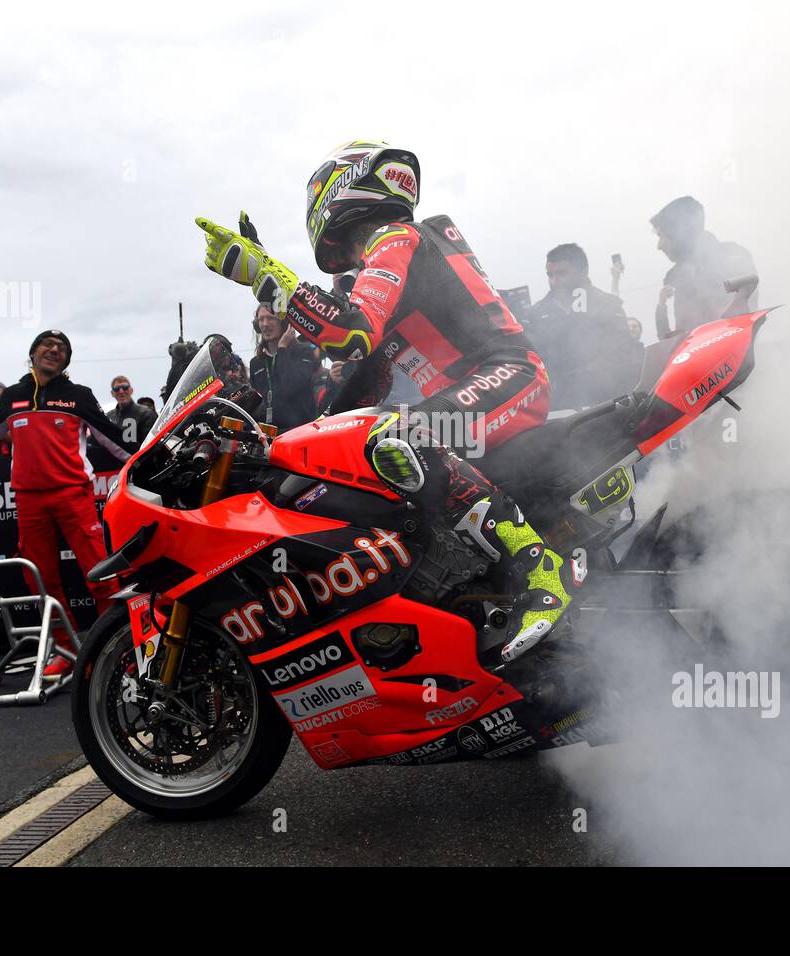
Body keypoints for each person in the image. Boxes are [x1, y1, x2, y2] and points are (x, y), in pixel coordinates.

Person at [194, 141, 585, 663]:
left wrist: (268, 275)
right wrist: (289, 446)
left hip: (508, 376)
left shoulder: (395, 236)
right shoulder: (394, 256)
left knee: (403, 437)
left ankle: (543, 576)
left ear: (341, 188)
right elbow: (364, 380)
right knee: (371, 442)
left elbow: (351, 336)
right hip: (487, 388)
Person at [0, 331, 132, 678]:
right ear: (32, 354)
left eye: (61, 348)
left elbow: (112, 439)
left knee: (101, 575)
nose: (54, 350)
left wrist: (148, 465)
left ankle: (120, 650)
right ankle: (65, 650)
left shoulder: (78, 396)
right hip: (30, 500)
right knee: (41, 581)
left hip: (73, 495)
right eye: (47, 345)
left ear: (66, 361)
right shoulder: (14, 397)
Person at [524, 243, 642, 410]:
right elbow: (534, 364)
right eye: (550, 275)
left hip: (605, 404)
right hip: (559, 409)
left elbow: (621, 356)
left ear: (583, 271)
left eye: (562, 273)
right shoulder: (535, 315)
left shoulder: (608, 305)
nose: (554, 281)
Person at [651, 195, 757, 340]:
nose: (659, 246)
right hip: (694, 359)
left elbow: (744, 320)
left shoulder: (733, 256)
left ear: (678, 233)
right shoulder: (676, 276)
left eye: (661, 235)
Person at [248, 303, 320, 432]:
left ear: (284, 322)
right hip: (268, 435)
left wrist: (282, 350)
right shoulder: (256, 363)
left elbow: (291, 384)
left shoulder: (304, 352)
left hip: (299, 432)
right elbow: (257, 401)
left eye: (270, 318)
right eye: (261, 319)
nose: (265, 324)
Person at [104, 375, 157, 447]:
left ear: (131, 390)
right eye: (117, 388)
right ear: (112, 393)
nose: (121, 391)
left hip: (140, 457)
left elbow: (153, 444)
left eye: (125, 387)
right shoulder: (108, 417)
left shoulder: (146, 414)